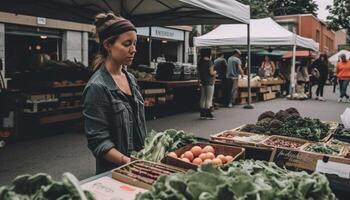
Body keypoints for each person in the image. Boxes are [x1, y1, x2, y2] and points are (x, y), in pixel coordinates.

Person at [81, 13, 147, 174]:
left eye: (135, 43)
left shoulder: (130, 78)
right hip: (114, 173)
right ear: (108, 46)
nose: (134, 50)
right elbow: (99, 143)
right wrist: (128, 162)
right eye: (127, 44)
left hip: (140, 166)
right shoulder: (97, 87)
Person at [197, 48, 216, 119]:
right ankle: (208, 113)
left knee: (202, 97)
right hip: (210, 81)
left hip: (202, 81)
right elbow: (211, 73)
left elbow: (198, 73)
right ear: (209, 53)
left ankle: (202, 113)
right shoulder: (210, 62)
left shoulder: (200, 62)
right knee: (209, 98)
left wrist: (198, 81)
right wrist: (215, 72)